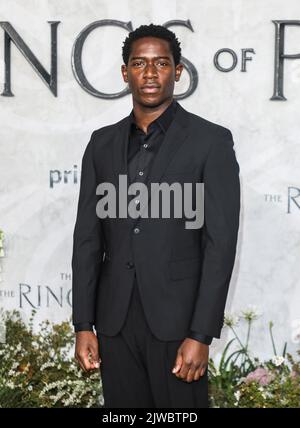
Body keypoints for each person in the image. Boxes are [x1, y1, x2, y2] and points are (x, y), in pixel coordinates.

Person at [72, 23, 240, 408]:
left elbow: (220, 244)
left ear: (178, 71)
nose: (150, 73)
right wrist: (84, 324)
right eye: (139, 63)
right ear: (124, 72)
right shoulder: (101, 144)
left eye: (161, 63)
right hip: (113, 323)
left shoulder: (210, 141)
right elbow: (87, 240)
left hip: (178, 325)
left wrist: (201, 334)